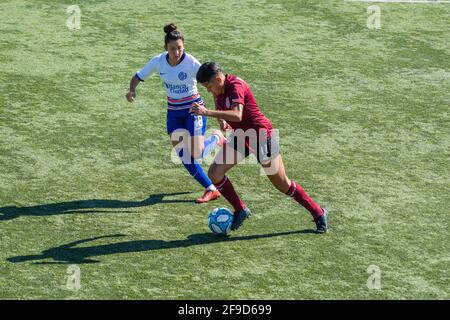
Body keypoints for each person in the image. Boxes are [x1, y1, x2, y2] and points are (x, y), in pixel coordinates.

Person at [190, 62, 329, 233]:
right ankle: (240, 209)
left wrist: (207, 112)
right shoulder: (220, 87)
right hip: (242, 136)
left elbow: (237, 114)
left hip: (261, 136)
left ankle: (318, 212)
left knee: (282, 184)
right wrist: (221, 119)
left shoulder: (236, 86)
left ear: (219, 79)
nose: (209, 91)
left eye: (209, 86)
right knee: (215, 173)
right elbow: (218, 100)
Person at [126, 24, 224, 203]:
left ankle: (216, 139)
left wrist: (219, 117)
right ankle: (211, 188)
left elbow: (212, 87)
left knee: (196, 153)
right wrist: (132, 90)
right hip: (174, 113)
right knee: (183, 154)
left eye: (179, 48)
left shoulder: (192, 63)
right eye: (172, 49)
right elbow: (137, 76)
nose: (176, 52)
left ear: (184, 46)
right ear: (166, 49)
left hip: (193, 111)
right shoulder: (158, 61)